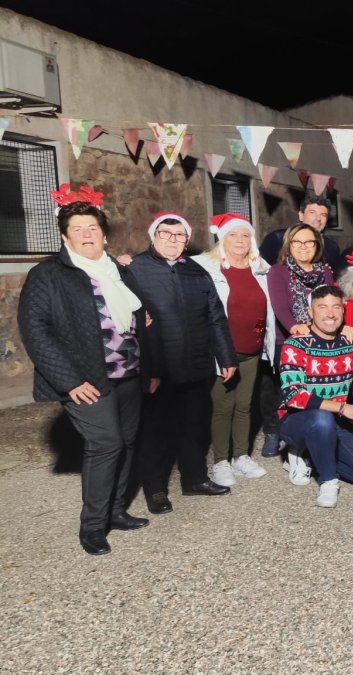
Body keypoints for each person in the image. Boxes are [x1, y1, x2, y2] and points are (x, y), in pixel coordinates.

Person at [18, 187, 156, 555]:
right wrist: (69, 380)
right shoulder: (48, 274)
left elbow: (140, 319)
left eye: (92, 226)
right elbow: (36, 331)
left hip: (129, 373)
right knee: (105, 444)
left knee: (126, 443)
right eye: (77, 228)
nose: (87, 233)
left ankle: (115, 513)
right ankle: (92, 528)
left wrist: (151, 365)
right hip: (87, 379)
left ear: (104, 232)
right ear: (65, 236)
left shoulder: (118, 270)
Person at [128, 212, 237, 513]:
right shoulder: (134, 269)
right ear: (154, 236)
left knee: (195, 427)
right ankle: (155, 489)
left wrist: (225, 357)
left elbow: (215, 317)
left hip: (196, 364)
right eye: (165, 234)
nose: (172, 240)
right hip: (158, 368)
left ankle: (195, 479)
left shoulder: (196, 271)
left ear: (187, 240)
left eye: (179, 236)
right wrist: (146, 371)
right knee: (156, 431)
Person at [277, 285, 353, 506]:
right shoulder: (295, 344)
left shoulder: (351, 342)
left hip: (335, 421)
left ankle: (312, 456)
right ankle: (327, 480)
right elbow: (294, 395)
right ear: (310, 312)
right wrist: (345, 408)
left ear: (343, 311)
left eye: (336, 307)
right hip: (297, 421)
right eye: (322, 307)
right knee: (321, 418)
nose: (330, 313)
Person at [194, 213, 274, 488]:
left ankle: (240, 455)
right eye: (232, 235)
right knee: (222, 407)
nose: (240, 240)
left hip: (252, 349)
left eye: (245, 235)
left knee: (244, 405)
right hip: (222, 350)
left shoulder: (261, 267)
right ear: (221, 238)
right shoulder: (205, 267)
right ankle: (220, 461)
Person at [263, 223, 335, 458]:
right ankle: (274, 432)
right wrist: (296, 327)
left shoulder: (324, 271)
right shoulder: (278, 271)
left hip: (317, 340)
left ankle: (309, 434)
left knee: (310, 390)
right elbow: (280, 307)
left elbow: (330, 302)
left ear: (317, 245)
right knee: (282, 390)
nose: (304, 247)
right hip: (288, 340)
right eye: (298, 242)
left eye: (309, 242)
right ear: (289, 245)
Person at [258, 195, 343, 271]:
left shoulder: (332, 247)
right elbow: (259, 267)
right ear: (301, 216)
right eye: (312, 212)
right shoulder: (277, 238)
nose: (318, 218)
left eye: (323, 215)